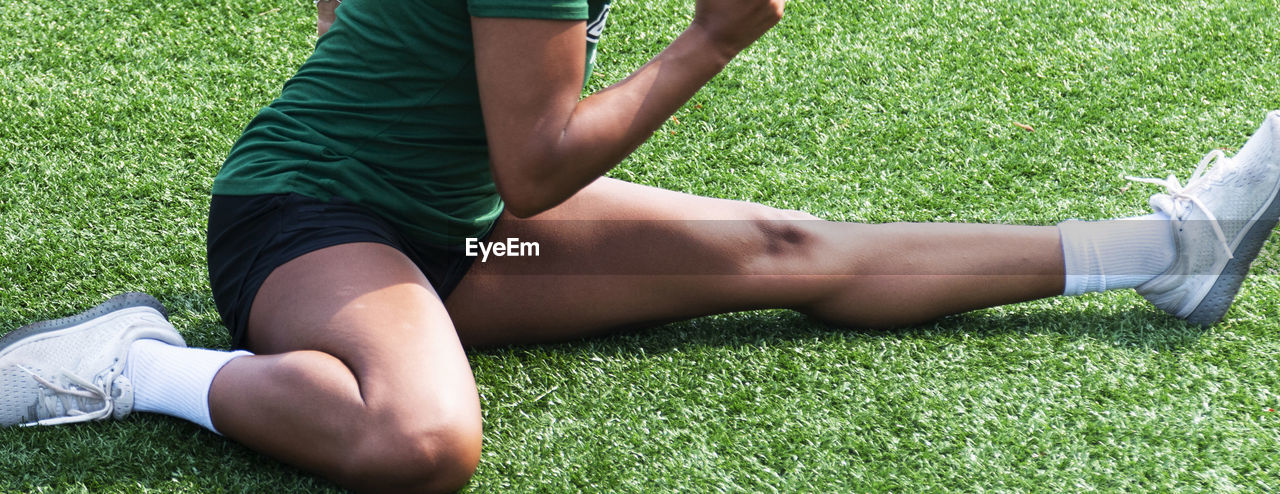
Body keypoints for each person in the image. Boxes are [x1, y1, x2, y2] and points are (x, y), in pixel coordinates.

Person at [1, 0, 1278, 491]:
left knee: (787, 248)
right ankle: (137, 364)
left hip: (461, 232)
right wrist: (711, 39)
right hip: (309, 223)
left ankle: (1164, 246)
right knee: (420, 441)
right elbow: (540, 162)